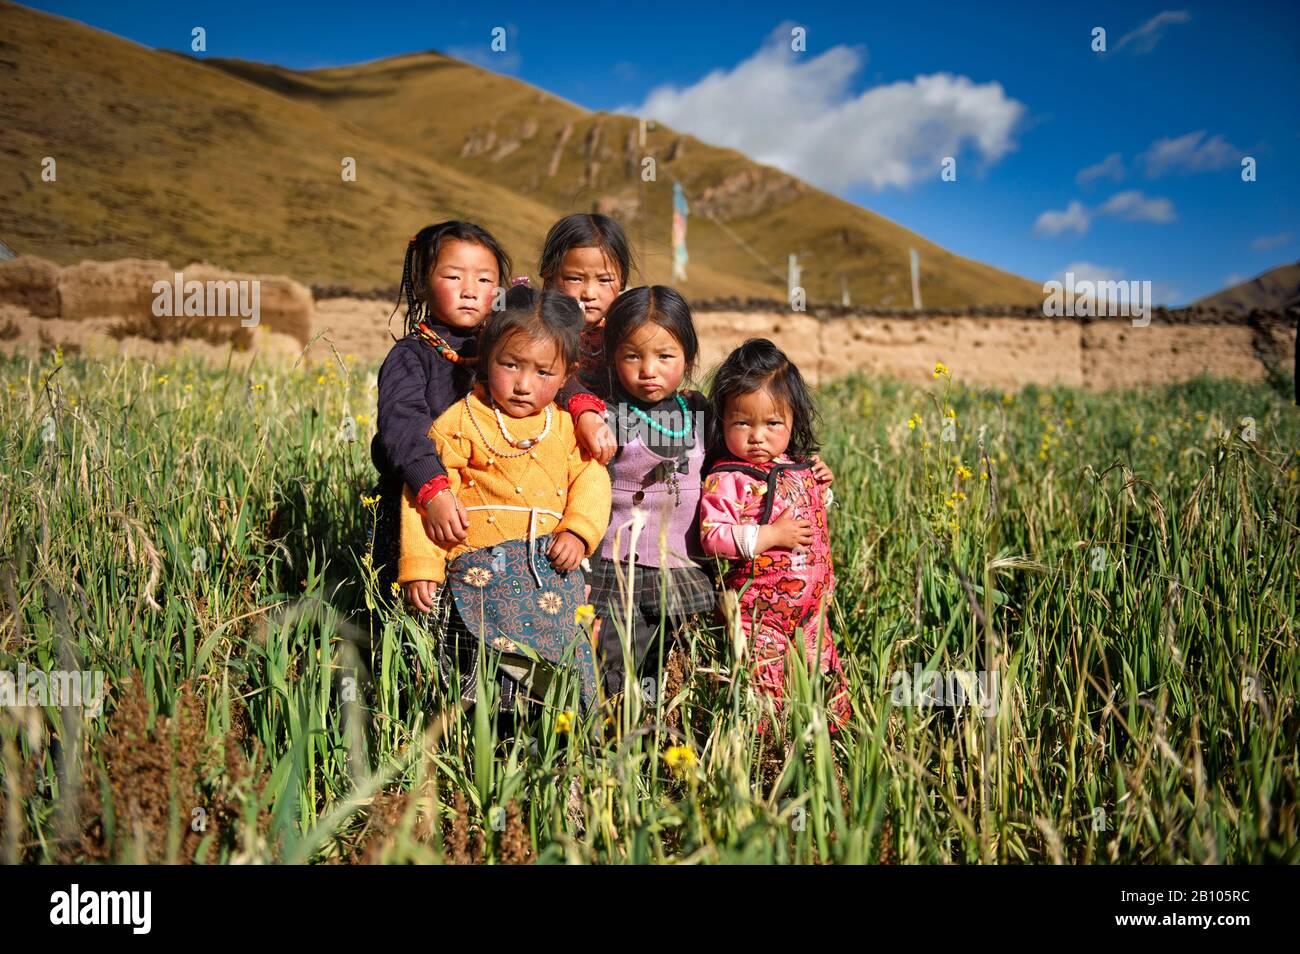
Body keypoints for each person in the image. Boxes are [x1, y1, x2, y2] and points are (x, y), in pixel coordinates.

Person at [396, 286, 611, 711]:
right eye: (509, 365)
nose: (523, 385)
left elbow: (592, 478)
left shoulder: (567, 428)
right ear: (487, 356)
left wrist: (578, 532)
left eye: (543, 373)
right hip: (476, 572)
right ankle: (479, 742)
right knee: (476, 673)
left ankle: (556, 743)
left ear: (566, 375)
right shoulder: (460, 422)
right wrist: (421, 565)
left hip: (550, 573)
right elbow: (421, 498)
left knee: (558, 677)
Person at [698, 338, 851, 731]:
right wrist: (768, 536)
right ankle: (767, 750)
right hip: (759, 613)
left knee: (824, 678)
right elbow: (713, 536)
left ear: (794, 420)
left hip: (814, 611)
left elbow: (804, 512)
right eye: (742, 423)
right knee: (763, 688)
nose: (758, 437)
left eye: (773, 423)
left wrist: (823, 488)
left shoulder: (796, 465)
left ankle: (830, 743)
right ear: (723, 421)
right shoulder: (729, 477)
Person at [586, 286, 716, 701]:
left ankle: (658, 745)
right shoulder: (604, 416)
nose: (648, 370)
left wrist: (800, 467)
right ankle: (609, 748)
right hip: (616, 569)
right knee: (614, 671)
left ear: (689, 357)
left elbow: (744, 457)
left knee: (671, 669)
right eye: (632, 356)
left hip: (681, 568)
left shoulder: (699, 412)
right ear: (611, 358)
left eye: (665, 356)